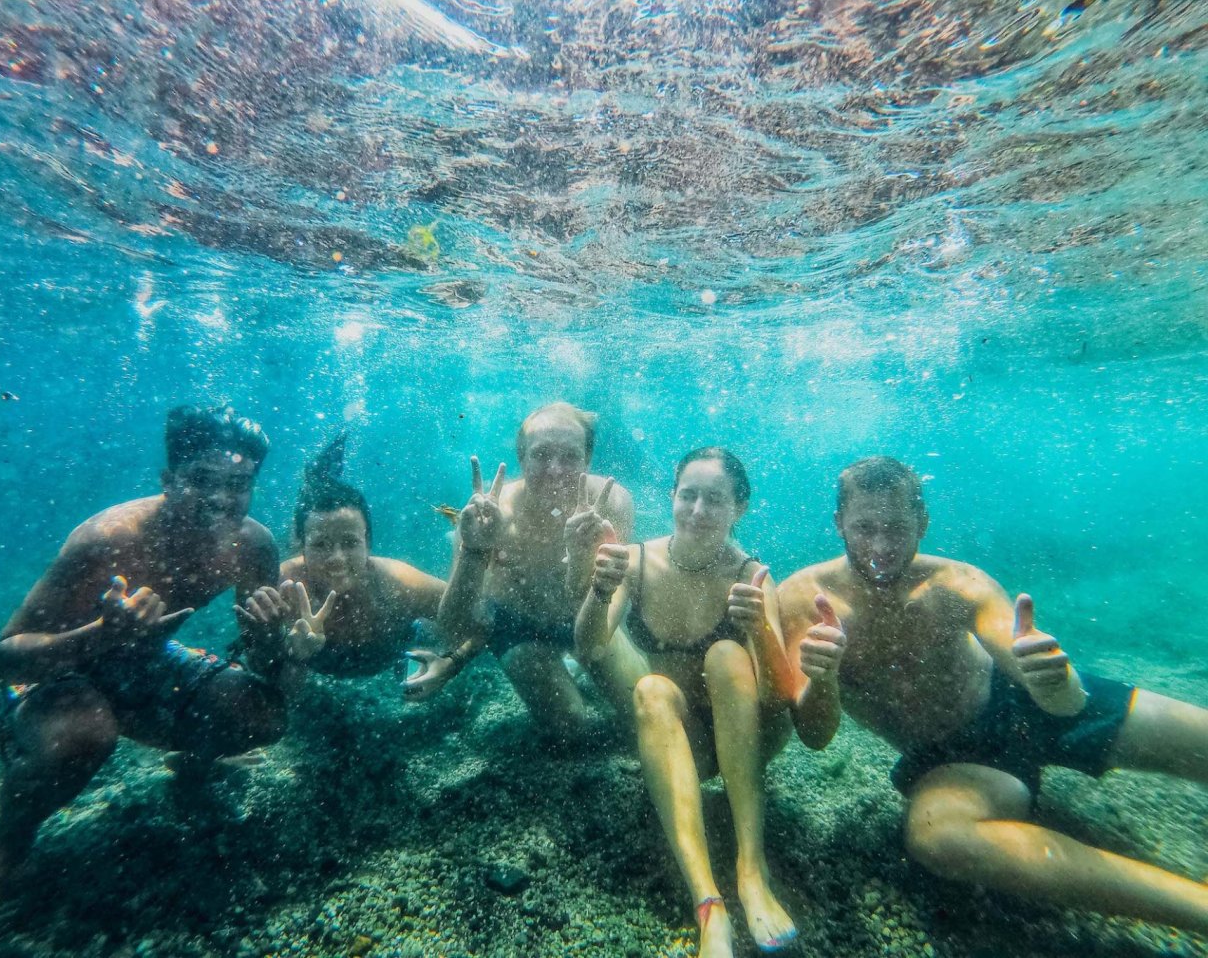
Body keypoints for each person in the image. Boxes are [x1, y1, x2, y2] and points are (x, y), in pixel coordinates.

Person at [775, 455, 1208, 935]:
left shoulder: (961, 583)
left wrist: (1054, 682)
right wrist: (824, 676)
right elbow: (815, 734)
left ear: (923, 521)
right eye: (864, 527)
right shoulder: (804, 600)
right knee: (938, 838)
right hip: (959, 761)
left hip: (1025, 703)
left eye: (897, 527)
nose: (880, 545)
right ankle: (1197, 909)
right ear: (839, 524)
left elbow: (1066, 702)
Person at [0, 405, 292, 954]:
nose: (221, 499)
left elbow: (263, 665)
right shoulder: (107, 540)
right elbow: (0, 661)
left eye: (238, 484)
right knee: (81, 734)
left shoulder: (254, 546)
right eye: (201, 481)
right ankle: (5, 845)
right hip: (57, 671)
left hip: (144, 660)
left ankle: (190, 766)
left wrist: (271, 636)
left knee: (259, 712)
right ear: (168, 481)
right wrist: (99, 636)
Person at [575, 447, 801, 958]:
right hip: (682, 746)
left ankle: (752, 870)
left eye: (714, 500)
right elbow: (589, 647)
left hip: (748, 738)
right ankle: (708, 902)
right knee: (650, 689)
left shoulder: (753, 577)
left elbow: (778, 700)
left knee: (726, 655)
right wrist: (598, 589)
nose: (698, 511)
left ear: (739, 509)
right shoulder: (635, 561)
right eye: (688, 495)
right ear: (672, 497)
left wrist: (759, 631)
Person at [439, 402, 634, 738]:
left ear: (588, 460)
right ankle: (555, 669)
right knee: (571, 725)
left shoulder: (612, 503)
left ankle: (574, 665)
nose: (554, 470)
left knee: (640, 713)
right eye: (541, 454)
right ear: (521, 458)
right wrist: (473, 551)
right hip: (520, 629)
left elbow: (595, 603)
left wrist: (581, 558)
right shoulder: (488, 516)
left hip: (585, 621)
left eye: (570, 457)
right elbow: (453, 626)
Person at [235, 432, 482, 698]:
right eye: (320, 545)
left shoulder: (398, 582)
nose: (337, 559)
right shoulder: (280, 587)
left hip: (398, 649)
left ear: (369, 543)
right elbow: (265, 672)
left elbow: (481, 621)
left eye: (350, 543)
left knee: (435, 630)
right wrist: (280, 647)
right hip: (315, 674)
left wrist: (451, 663)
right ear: (301, 547)